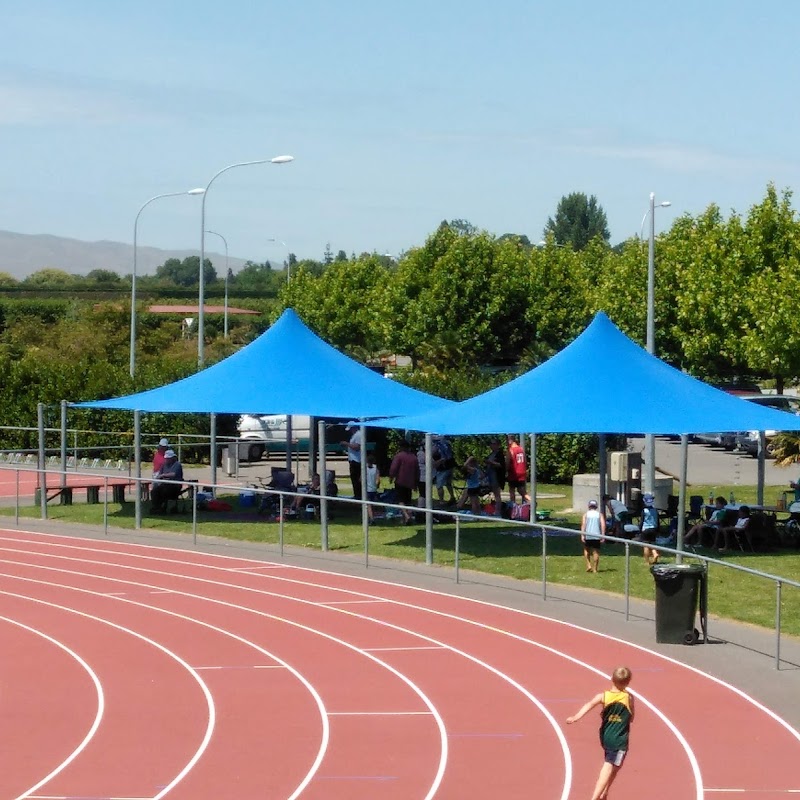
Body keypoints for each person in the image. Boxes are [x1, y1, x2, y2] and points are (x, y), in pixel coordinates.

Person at [566, 666, 635, 800]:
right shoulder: (628, 698)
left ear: (611, 679)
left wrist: (576, 717)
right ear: (627, 682)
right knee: (610, 766)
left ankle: (604, 793)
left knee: (613, 764)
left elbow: (589, 704)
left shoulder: (603, 696)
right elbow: (632, 718)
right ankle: (596, 797)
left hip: (605, 736)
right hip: (619, 740)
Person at [389, 439, 419, 525]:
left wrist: (391, 477)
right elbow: (417, 471)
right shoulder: (414, 457)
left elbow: (393, 468)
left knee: (401, 500)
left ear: (401, 447)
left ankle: (406, 516)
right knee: (408, 501)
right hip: (410, 482)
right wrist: (416, 483)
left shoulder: (399, 456)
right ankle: (405, 519)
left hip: (400, 481)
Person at [581, 499, 606, 573]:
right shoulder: (599, 515)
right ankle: (595, 569)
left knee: (586, 550)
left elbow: (583, 525)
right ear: (596, 506)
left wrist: (582, 535)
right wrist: (603, 535)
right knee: (596, 552)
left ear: (589, 506)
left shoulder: (586, 514)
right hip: (596, 535)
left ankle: (588, 564)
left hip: (588, 535)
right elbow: (603, 525)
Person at [432, 434, 457, 505]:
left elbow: (432, 456)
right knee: (448, 483)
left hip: (442, 468)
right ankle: (452, 497)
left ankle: (441, 501)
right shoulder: (447, 444)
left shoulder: (436, 446)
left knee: (439, 485)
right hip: (450, 467)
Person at [485, 437, 506, 517]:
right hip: (490, 475)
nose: (492, 445)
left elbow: (501, 465)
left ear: (498, 445)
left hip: (496, 477)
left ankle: (498, 512)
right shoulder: (491, 454)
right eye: (491, 444)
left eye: (494, 444)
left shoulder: (499, 454)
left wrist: (491, 462)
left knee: (497, 495)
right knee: (494, 494)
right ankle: (493, 510)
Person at [506, 435, 530, 505]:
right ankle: (530, 500)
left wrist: (506, 471)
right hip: (522, 471)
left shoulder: (511, 450)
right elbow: (525, 461)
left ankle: (513, 505)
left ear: (510, 440)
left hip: (514, 472)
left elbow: (507, 463)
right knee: (521, 490)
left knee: (512, 490)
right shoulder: (521, 449)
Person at [341, 424, 363, 499]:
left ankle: (358, 496)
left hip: (356, 461)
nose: (350, 431)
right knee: (354, 479)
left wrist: (346, 444)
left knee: (356, 480)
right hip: (353, 460)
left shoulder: (358, 435)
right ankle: (357, 495)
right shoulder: (354, 435)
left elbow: (357, 447)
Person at [639, 492, 659, 564]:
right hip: (653, 529)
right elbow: (657, 521)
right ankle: (655, 553)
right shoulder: (655, 510)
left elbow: (642, 521)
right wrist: (658, 529)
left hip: (646, 529)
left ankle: (647, 561)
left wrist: (639, 530)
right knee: (652, 544)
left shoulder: (644, 511)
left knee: (646, 545)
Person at [366, 453, 381, 522]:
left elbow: (360, 479)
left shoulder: (365, 469)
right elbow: (378, 480)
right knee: (372, 504)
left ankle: (371, 518)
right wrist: (377, 486)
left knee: (368, 505)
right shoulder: (376, 468)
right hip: (374, 489)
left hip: (367, 489)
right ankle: (372, 516)